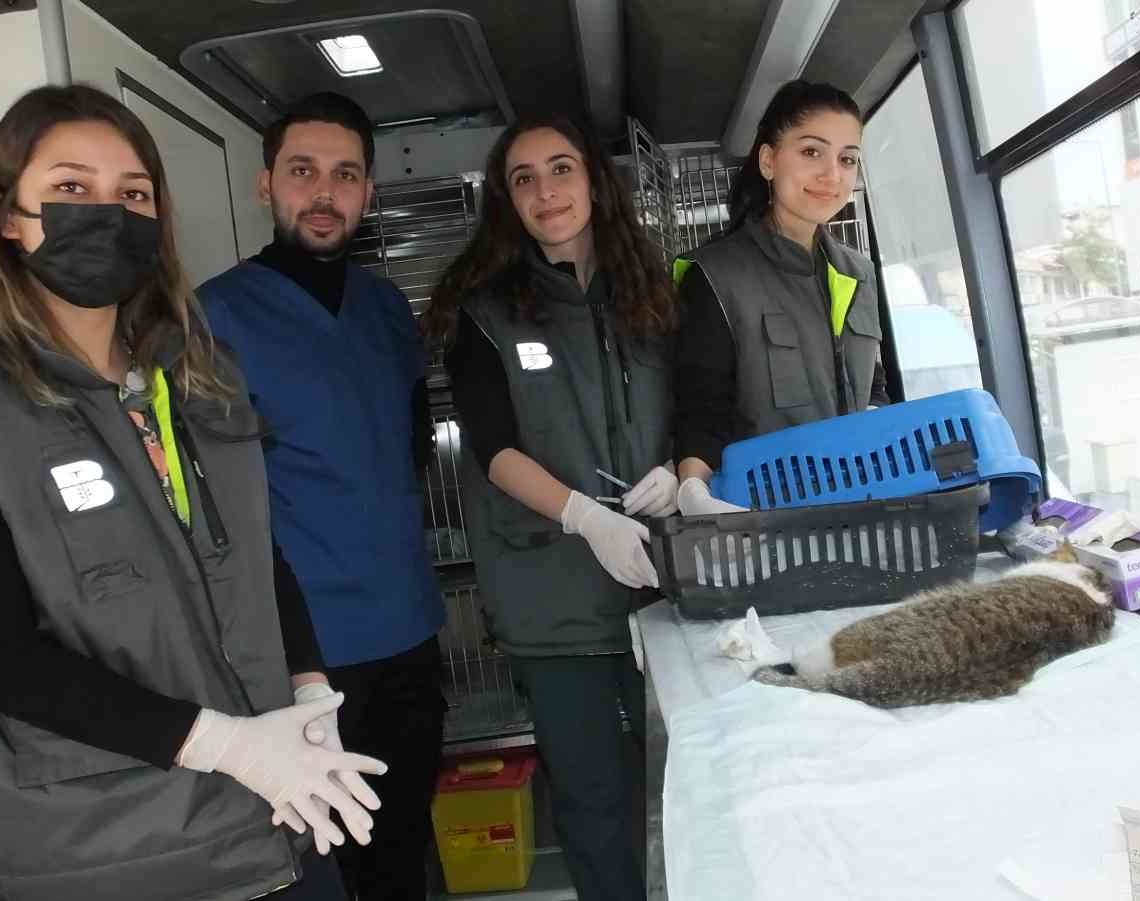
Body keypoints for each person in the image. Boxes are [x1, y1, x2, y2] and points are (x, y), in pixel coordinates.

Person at [0, 85, 385, 901]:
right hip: (104, 852)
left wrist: (308, 690)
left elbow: (255, 551)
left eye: (133, 194)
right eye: (71, 188)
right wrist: (224, 744)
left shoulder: (194, 377)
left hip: (271, 817)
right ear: (9, 215)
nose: (106, 212)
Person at [197, 92, 447, 901]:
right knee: (316, 864)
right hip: (301, 653)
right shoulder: (214, 316)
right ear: (264, 184)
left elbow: (410, 448)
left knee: (401, 840)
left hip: (407, 630)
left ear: (368, 192)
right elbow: (211, 505)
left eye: (345, 174)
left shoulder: (385, 309)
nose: (325, 192)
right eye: (303, 171)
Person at [422, 114, 678, 901]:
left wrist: (675, 470)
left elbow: (701, 407)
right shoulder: (484, 311)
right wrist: (586, 516)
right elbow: (492, 448)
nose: (546, 190)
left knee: (681, 787)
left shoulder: (654, 290)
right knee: (594, 801)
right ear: (506, 200)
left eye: (560, 169)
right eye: (523, 178)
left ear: (595, 182)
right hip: (551, 603)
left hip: (664, 586)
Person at [672, 79, 889, 515]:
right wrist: (692, 490)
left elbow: (876, 388)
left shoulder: (858, 273)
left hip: (864, 503)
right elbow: (701, 410)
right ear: (768, 161)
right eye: (812, 152)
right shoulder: (713, 276)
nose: (833, 175)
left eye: (848, 159)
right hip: (763, 514)